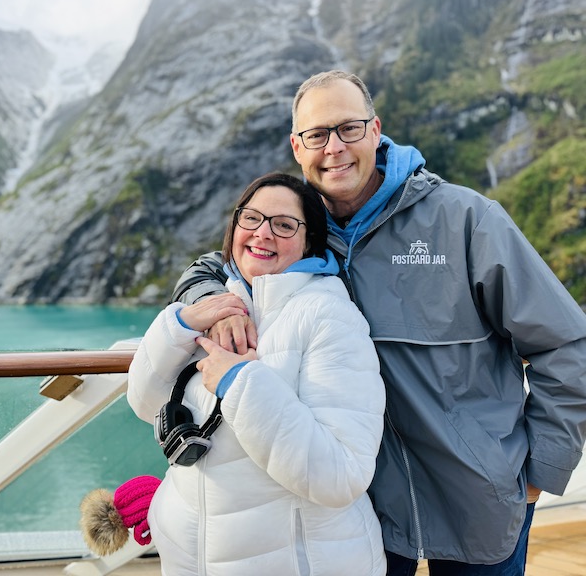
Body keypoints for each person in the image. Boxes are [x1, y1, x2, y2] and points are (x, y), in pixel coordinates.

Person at [171, 70, 586, 575]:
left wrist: (540, 471)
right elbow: (213, 265)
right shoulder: (297, 230)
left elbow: (565, 342)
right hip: (364, 512)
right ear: (297, 147)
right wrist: (215, 302)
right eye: (317, 135)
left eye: (349, 128)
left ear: (375, 129)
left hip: (482, 497)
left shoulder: (466, 219)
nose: (334, 148)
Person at [126, 172, 387, 575]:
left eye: (284, 225)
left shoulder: (328, 316)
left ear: (309, 242)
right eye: (251, 218)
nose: (262, 233)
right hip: (196, 559)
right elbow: (145, 404)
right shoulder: (221, 305)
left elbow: (341, 474)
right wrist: (182, 323)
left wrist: (240, 383)